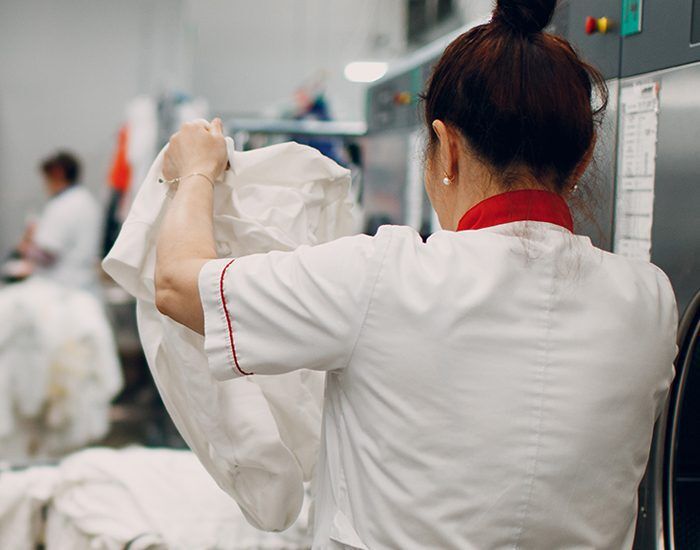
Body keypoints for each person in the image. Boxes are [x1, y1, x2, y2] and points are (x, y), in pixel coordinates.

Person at [153, 0, 678, 548]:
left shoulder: (382, 277)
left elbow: (176, 283)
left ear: (446, 150)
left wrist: (196, 172)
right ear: (584, 154)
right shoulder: (651, 302)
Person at [17, 151, 101, 294]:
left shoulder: (63, 205)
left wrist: (27, 246)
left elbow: (48, 254)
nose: (44, 185)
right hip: (82, 286)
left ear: (57, 173)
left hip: (62, 289)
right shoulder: (86, 200)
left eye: (46, 178)